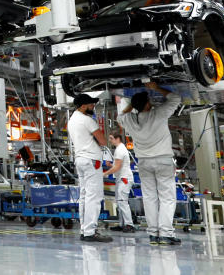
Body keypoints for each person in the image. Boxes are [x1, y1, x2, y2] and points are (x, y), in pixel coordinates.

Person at [117, 83, 181, 246]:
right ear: (147, 104)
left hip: (144, 162)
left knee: (150, 197)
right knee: (167, 198)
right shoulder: (159, 114)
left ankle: (153, 234)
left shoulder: (130, 120)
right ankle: (166, 233)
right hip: (163, 161)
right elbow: (175, 98)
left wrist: (133, 102)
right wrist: (156, 87)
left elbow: (120, 116)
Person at [67, 94, 112, 242]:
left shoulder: (72, 120)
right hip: (92, 161)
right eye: (91, 104)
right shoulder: (87, 120)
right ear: (83, 106)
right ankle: (90, 232)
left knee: (84, 196)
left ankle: (84, 229)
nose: (93, 106)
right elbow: (103, 140)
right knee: (95, 196)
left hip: (80, 160)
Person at [107, 132, 135, 233]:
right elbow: (118, 166)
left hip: (124, 178)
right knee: (119, 201)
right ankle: (122, 224)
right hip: (121, 178)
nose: (110, 140)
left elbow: (117, 167)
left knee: (123, 201)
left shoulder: (120, 150)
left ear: (117, 138)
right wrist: (110, 165)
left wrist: (105, 173)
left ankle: (129, 225)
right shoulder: (119, 149)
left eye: (111, 138)